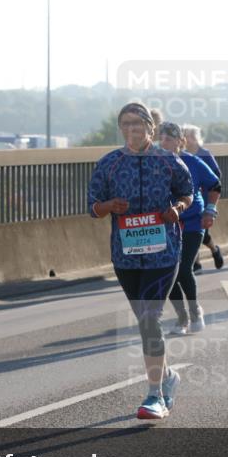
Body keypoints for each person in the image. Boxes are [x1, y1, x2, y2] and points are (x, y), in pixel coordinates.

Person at [87, 102, 193, 419]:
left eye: (137, 124)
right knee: (146, 323)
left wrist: (178, 209)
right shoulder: (109, 164)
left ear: (150, 128)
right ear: (121, 129)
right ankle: (169, 376)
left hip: (163, 253)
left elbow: (188, 193)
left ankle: (154, 395)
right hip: (126, 256)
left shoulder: (169, 162)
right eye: (125, 124)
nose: (131, 129)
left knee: (149, 320)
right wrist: (108, 206)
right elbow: (91, 207)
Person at [158, 122, 220, 335]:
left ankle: (195, 312)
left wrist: (210, 210)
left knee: (183, 269)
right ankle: (182, 317)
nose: (163, 142)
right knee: (167, 272)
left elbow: (215, 184)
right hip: (167, 224)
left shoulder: (192, 162)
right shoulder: (155, 164)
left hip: (193, 222)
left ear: (179, 141)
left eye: (168, 138)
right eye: (161, 138)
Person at [183, 124, 225, 270]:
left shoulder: (204, 154)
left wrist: (202, 184)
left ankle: (214, 250)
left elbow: (216, 176)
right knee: (191, 231)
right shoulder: (181, 155)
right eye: (184, 135)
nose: (186, 138)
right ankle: (196, 262)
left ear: (195, 138)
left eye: (189, 135)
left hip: (206, 198)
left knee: (202, 232)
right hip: (189, 199)